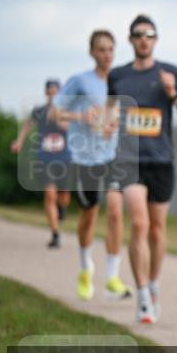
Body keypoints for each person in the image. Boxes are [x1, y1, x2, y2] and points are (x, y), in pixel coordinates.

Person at [108, 14, 177, 323]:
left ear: (155, 39)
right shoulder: (118, 76)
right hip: (130, 161)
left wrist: (172, 93)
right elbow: (109, 115)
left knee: (157, 231)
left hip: (161, 160)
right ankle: (142, 293)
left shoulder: (172, 73)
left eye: (149, 34)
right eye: (138, 34)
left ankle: (154, 283)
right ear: (131, 40)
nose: (143, 39)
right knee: (139, 224)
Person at [50, 30, 131, 301]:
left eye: (110, 49)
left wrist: (115, 124)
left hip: (112, 157)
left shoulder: (121, 80)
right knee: (89, 215)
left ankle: (112, 277)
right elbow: (54, 112)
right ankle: (86, 269)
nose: (106, 54)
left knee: (117, 212)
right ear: (92, 52)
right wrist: (80, 116)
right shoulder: (79, 82)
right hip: (84, 159)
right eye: (101, 49)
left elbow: (124, 113)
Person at [10, 79, 71, 248]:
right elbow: (27, 125)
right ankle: (55, 235)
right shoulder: (38, 111)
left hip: (64, 158)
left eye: (55, 90)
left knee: (64, 194)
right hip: (45, 159)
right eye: (50, 90)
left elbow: (70, 127)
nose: (52, 93)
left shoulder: (66, 111)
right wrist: (19, 142)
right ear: (46, 93)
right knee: (50, 195)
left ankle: (62, 208)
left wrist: (59, 118)